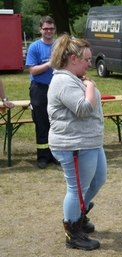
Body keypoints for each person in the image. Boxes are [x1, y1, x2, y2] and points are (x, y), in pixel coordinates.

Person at [47, 34, 107, 250]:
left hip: (88, 142)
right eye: (87, 60)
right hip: (73, 144)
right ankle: (73, 232)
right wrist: (90, 86)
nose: (90, 64)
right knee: (77, 189)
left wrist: (87, 84)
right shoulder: (63, 81)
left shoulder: (73, 79)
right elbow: (83, 109)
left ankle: (78, 214)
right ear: (73, 58)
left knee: (99, 178)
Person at [25, 15, 58, 169]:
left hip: (58, 88)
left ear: (54, 29)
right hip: (39, 88)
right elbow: (33, 70)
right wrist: (50, 64)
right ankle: (43, 157)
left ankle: (56, 154)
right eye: (46, 29)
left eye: (51, 28)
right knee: (42, 122)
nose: (49, 31)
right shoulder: (35, 47)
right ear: (40, 30)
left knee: (57, 122)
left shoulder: (59, 46)